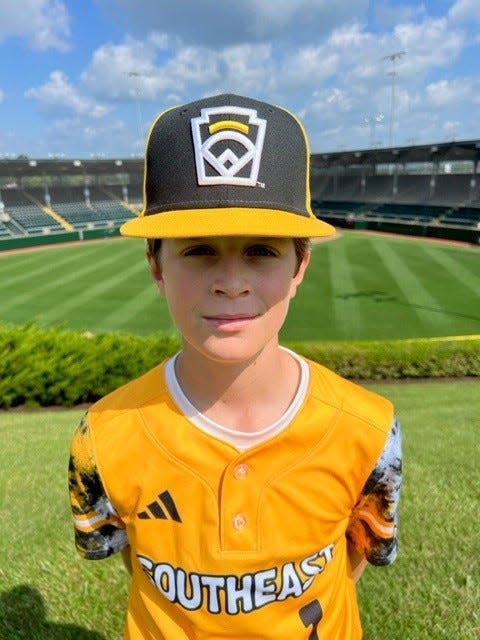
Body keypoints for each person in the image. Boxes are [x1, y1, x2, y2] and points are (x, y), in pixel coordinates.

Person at [68, 93, 402, 640]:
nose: (231, 281)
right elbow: (128, 559)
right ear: (155, 263)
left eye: (262, 250)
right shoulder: (101, 437)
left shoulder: (369, 428)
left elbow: (356, 558)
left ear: (301, 265)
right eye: (198, 249)